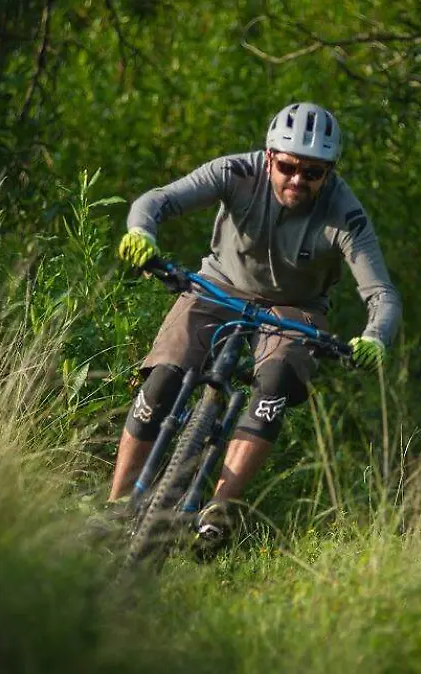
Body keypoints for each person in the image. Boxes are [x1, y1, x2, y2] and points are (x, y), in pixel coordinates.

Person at [110, 102, 402, 544]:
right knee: (163, 377)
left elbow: (381, 294)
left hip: (294, 308)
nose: (298, 180)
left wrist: (374, 337)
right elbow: (159, 201)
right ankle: (115, 506)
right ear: (269, 157)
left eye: (314, 173)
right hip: (217, 286)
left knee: (278, 380)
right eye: (288, 166)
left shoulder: (345, 213)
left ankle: (218, 508)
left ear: (330, 172)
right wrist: (141, 233)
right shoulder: (235, 173)